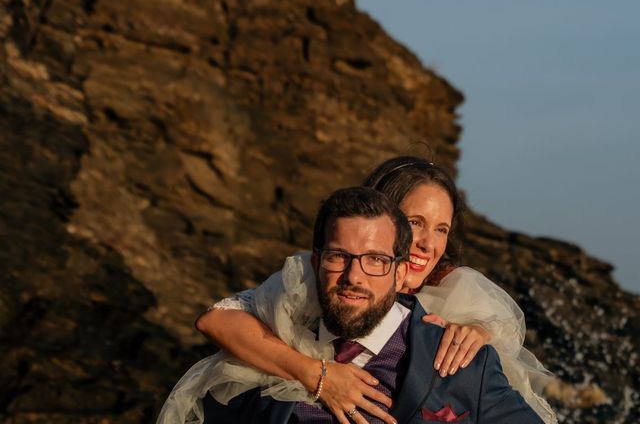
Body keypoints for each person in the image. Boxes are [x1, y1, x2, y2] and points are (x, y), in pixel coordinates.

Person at [157, 158, 556, 423]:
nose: (426, 244)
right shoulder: (303, 292)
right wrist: (318, 376)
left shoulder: (460, 341)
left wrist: (479, 330)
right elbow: (217, 320)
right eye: (415, 223)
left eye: (441, 230)